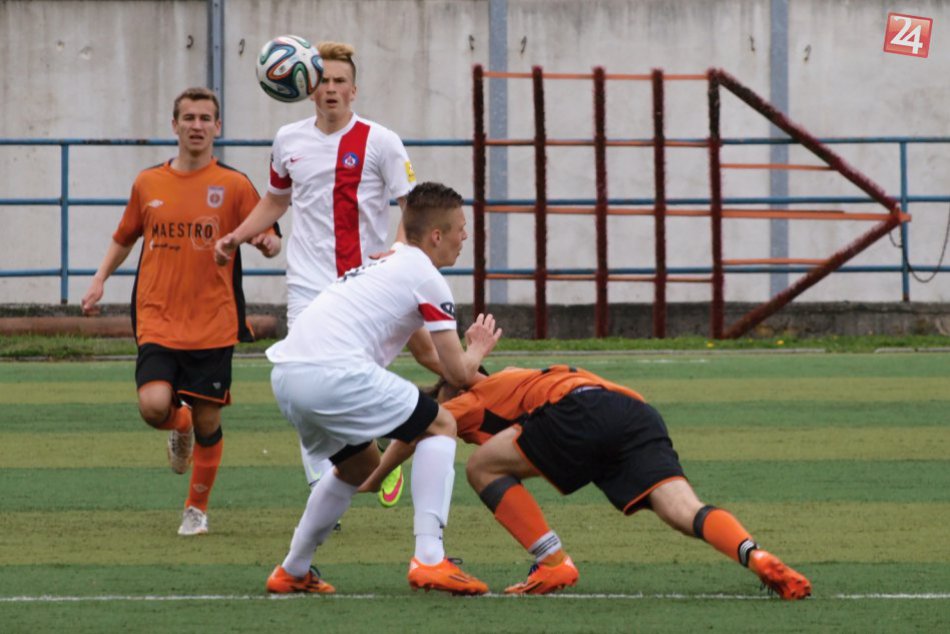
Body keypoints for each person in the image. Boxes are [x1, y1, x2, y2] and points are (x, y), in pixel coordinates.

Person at [241, 182, 501, 595]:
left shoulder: (388, 263)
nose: (464, 237)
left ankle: (292, 569)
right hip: (333, 373)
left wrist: (471, 367)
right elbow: (458, 371)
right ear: (437, 235)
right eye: (460, 228)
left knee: (359, 466)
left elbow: (429, 357)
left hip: (288, 376)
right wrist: (479, 348)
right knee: (441, 425)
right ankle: (430, 558)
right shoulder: (426, 277)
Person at [362, 365, 812, 600]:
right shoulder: (513, 378)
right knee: (683, 511)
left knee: (481, 467)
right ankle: (756, 555)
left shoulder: (469, 400)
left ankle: (552, 561)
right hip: (634, 412)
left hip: (578, 411)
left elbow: (423, 428)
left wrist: (376, 474)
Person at [215, 41, 419, 506]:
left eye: (339, 81)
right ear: (308, 88)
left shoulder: (381, 141)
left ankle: (377, 451)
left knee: (354, 383)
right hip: (307, 283)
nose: (331, 89)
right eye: (323, 80)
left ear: (354, 90)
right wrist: (236, 235)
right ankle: (322, 484)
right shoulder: (289, 139)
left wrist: (399, 252)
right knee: (305, 381)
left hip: (364, 285)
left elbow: (413, 206)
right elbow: (275, 200)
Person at [81, 87, 281, 536]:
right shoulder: (148, 183)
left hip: (213, 321)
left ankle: (196, 508)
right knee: (154, 406)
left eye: (205, 118)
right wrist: (99, 279)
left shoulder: (234, 185)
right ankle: (179, 422)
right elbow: (125, 236)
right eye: (188, 117)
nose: (196, 125)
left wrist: (267, 242)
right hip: (157, 315)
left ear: (217, 127)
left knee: (211, 419)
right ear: (174, 126)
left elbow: (270, 234)